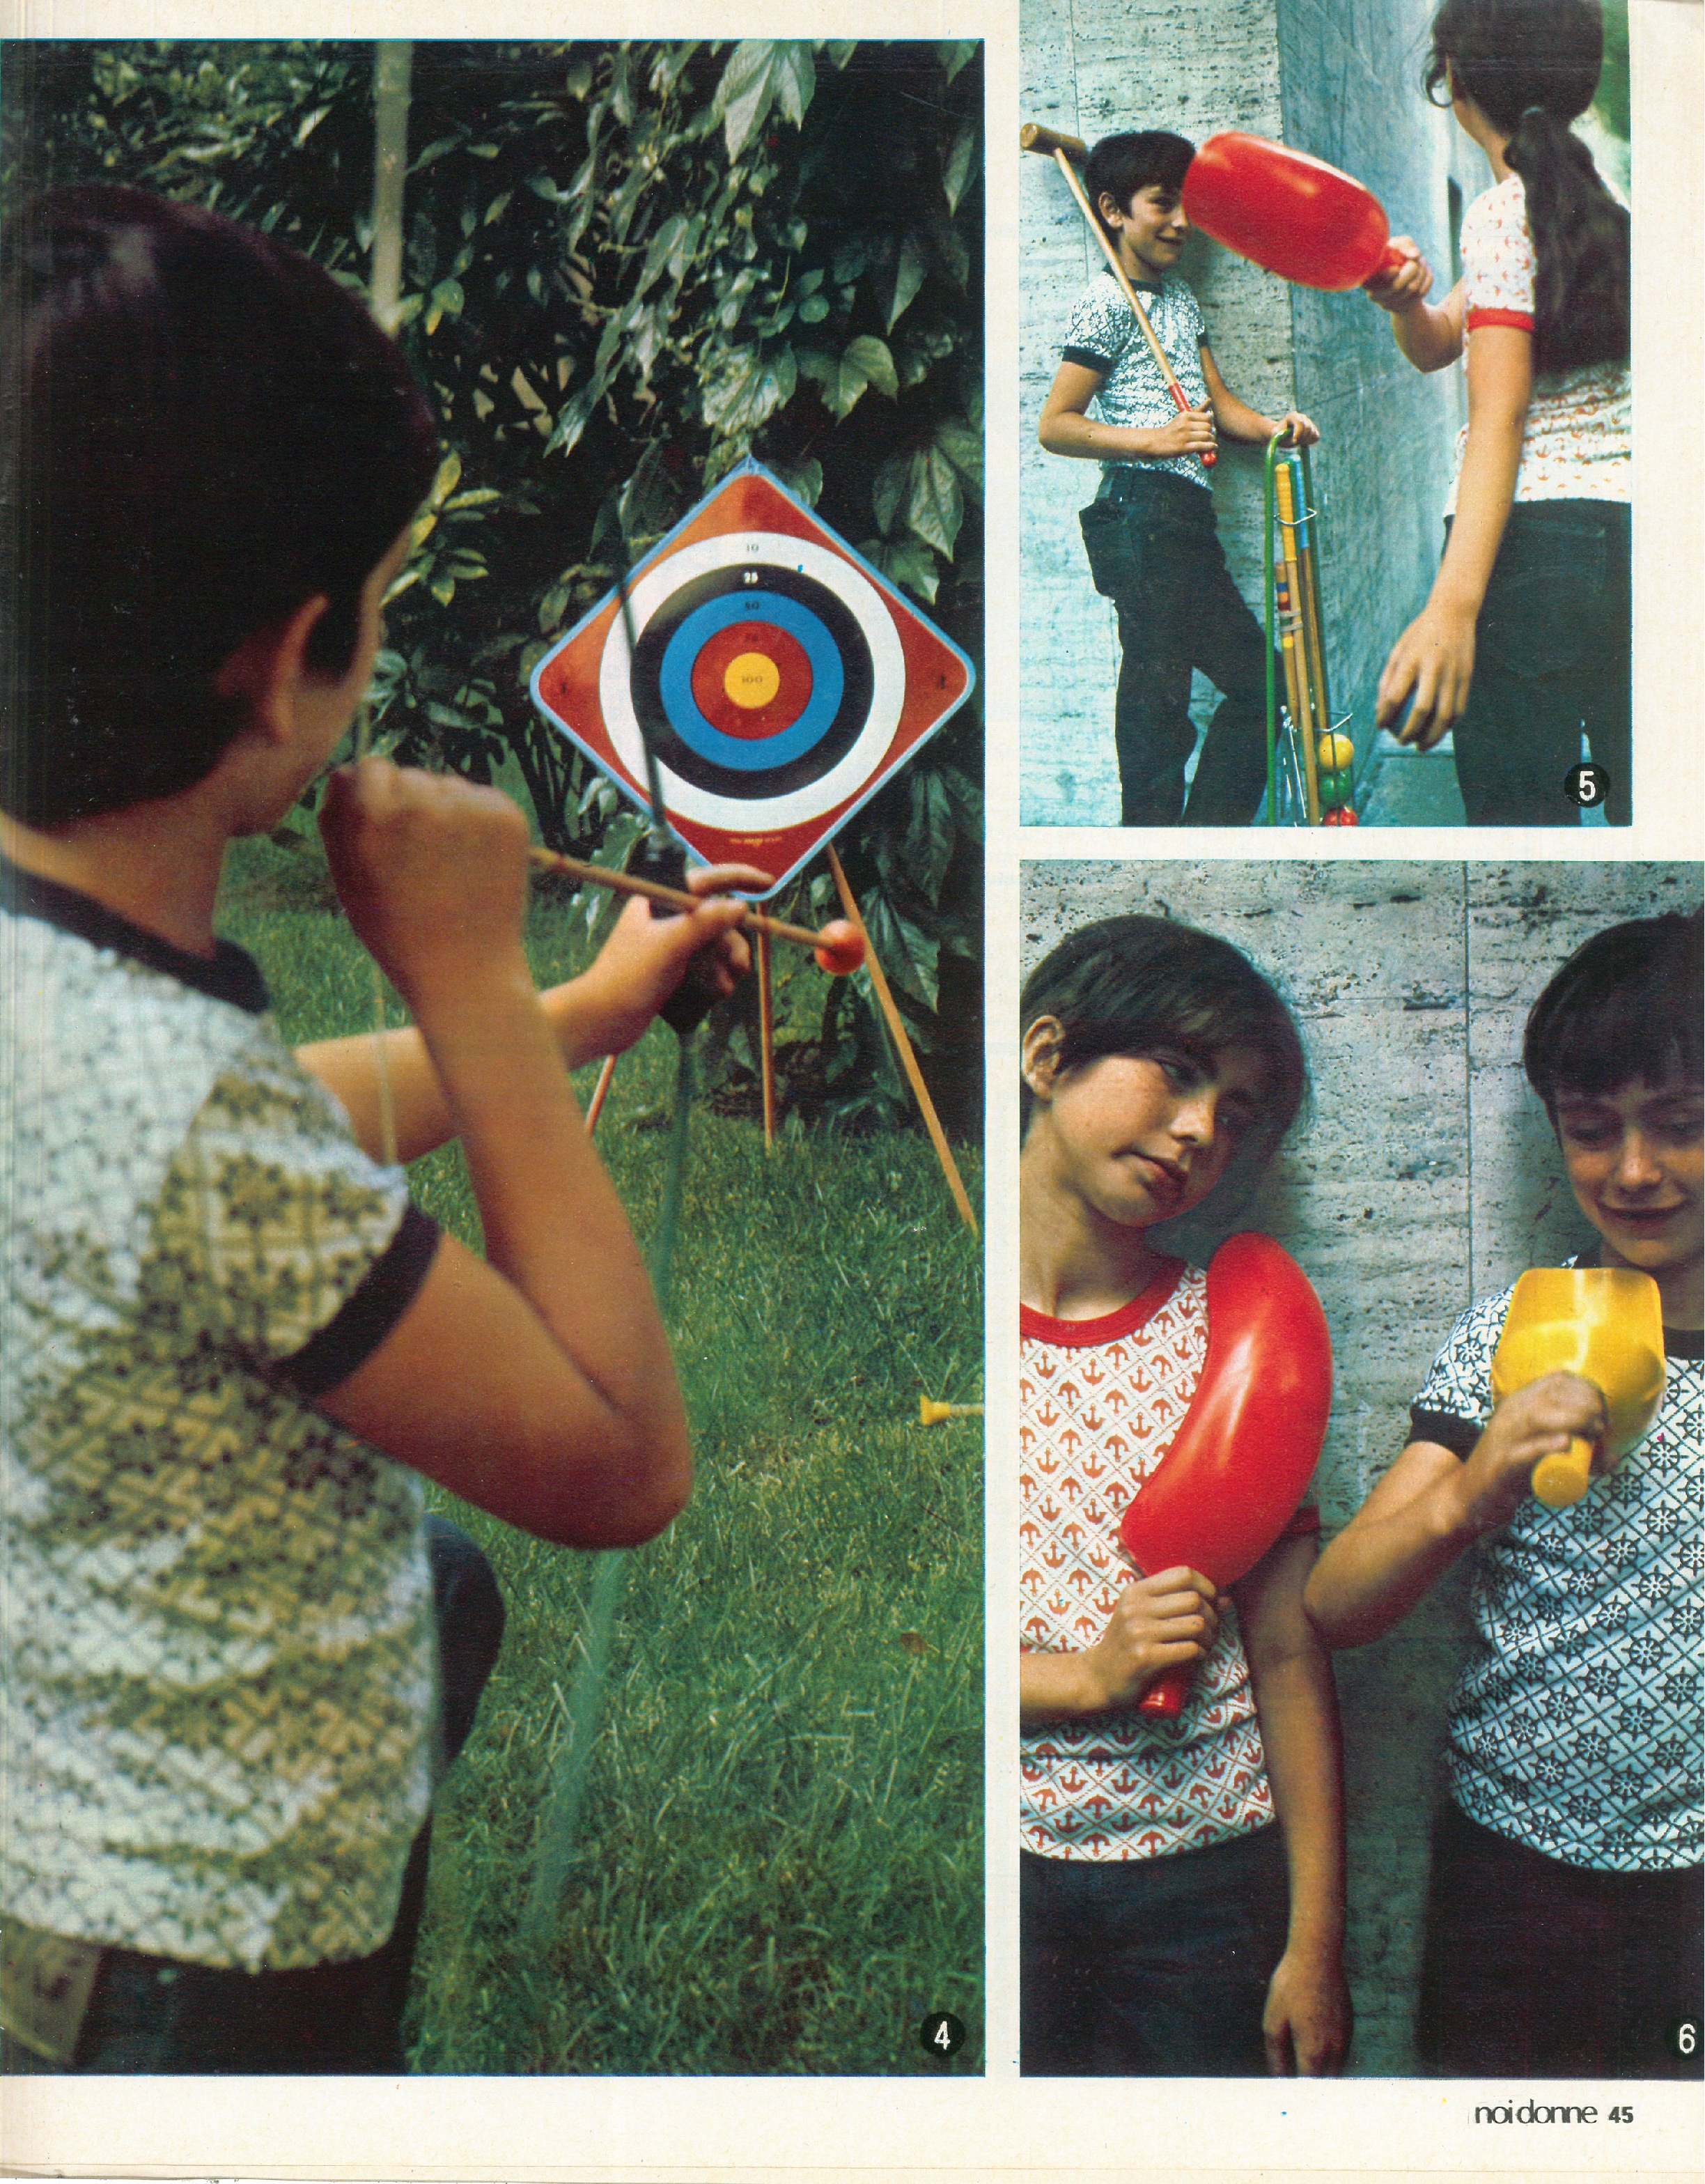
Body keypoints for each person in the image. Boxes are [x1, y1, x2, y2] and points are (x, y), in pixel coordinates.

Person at [0, 185, 765, 2073]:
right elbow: (615, 1455)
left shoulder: (91, 1024)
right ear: (286, 664)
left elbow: (219, 1136)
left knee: (445, 1587)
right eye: (381, 601)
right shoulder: (179, 1116)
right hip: (210, 1965)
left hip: (64, 1871)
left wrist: (577, 1010)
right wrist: (481, 996)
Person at [1305, 909, 1704, 2079]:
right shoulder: (1508, 1336)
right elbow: (1331, 1604)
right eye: (1589, 1133)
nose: (1631, 1171)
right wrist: (1469, 1493)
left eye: (1679, 1127)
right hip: (1514, 1881)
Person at [1018, 915, 1349, 2076]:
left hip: (1210, 1885)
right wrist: (1083, 1679)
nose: (1203, 1125)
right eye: (1176, 1071)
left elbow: (1289, 1654)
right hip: (1002, 1865)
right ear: (1046, 1058)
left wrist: (1313, 1940)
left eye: (1238, 1113)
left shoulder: (1232, 1323)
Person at [1368, 0, 1630, 825]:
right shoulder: (1601, 207)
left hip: (1531, 561)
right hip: (1633, 550)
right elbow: (1444, 340)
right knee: (1627, 798)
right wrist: (1401, 301)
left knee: (1527, 820)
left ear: (1454, 76)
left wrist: (1451, 606)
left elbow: (1501, 413)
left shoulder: (1500, 214)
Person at [1037, 131, 1319, 828]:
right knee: (1158, 718)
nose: (1181, 223)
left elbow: (1216, 404)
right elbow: (1057, 424)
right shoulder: (1104, 302)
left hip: (1188, 528)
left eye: (1187, 205)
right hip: (1139, 519)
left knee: (1266, 687)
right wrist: (1157, 441)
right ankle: (1153, 844)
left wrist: (1273, 429)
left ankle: (1206, 835)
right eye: (1162, 204)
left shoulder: (1180, 299)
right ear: (1112, 210)